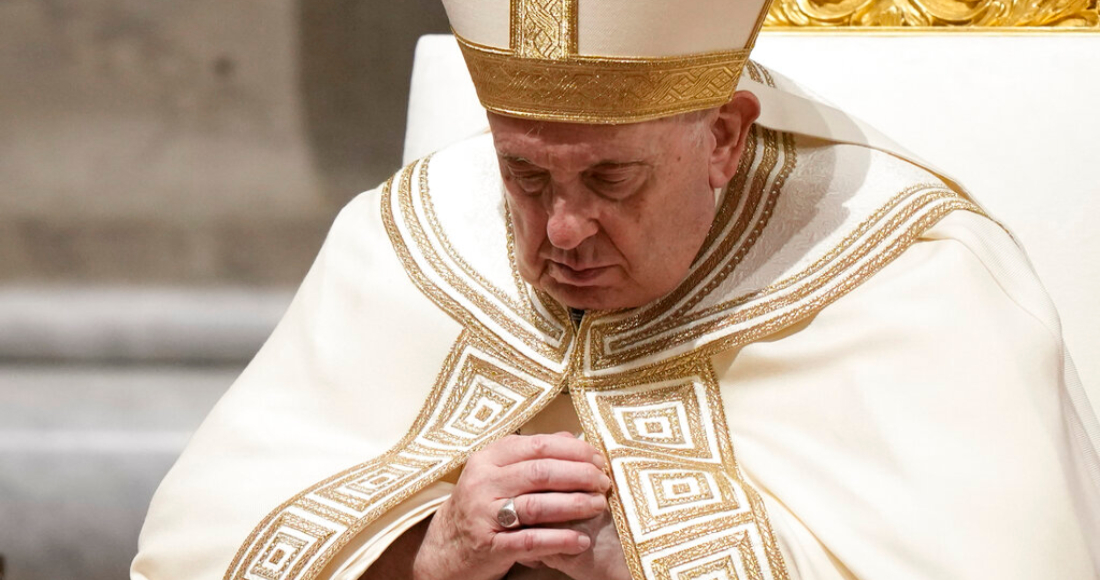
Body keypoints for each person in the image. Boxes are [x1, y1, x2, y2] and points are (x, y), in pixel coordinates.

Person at [131, 0, 1100, 579]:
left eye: (611, 180)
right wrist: (430, 553)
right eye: (524, 176)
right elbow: (194, 551)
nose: (561, 229)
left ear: (722, 138)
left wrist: (651, 561)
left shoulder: (909, 269)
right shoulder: (415, 232)